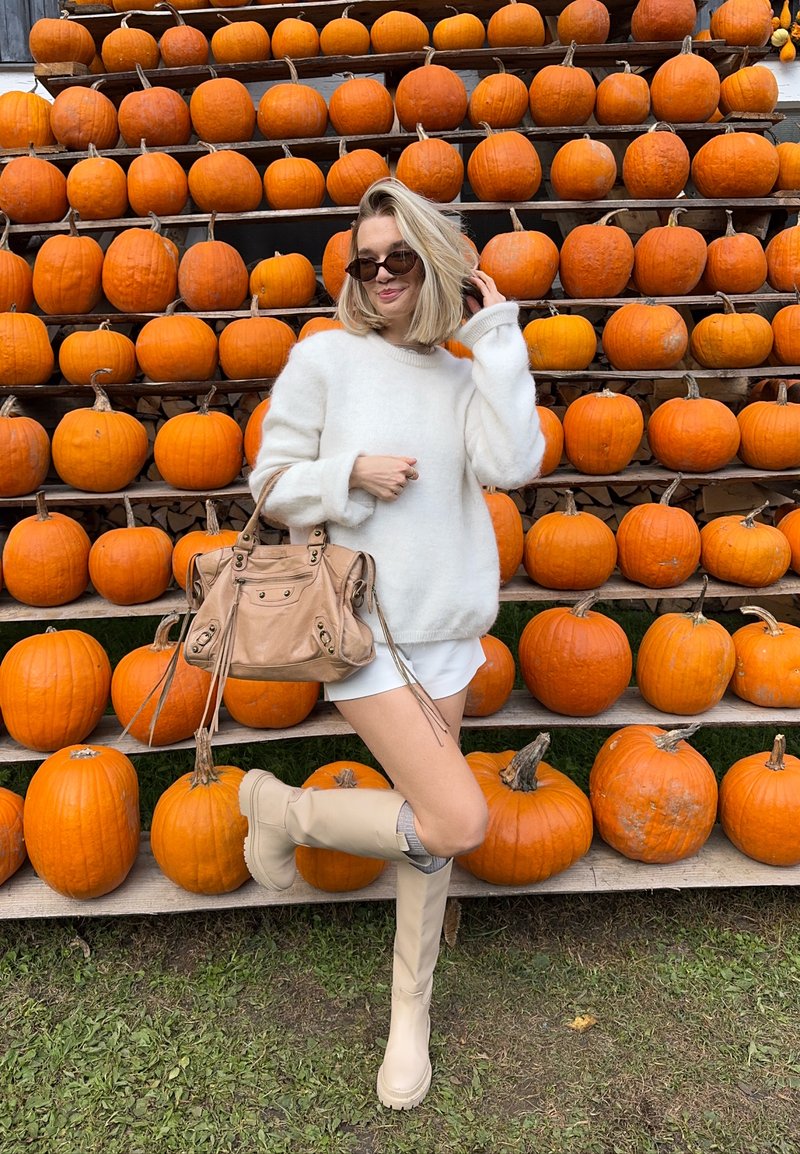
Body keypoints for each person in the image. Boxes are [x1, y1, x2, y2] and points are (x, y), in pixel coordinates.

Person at [239, 178, 544, 1110]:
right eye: (364, 263)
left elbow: (513, 465)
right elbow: (269, 484)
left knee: (430, 833)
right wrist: (347, 476)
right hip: (357, 637)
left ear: (435, 265)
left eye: (398, 259)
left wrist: (498, 343)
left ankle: (407, 1015)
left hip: (445, 635)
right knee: (454, 821)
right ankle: (284, 810)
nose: (379, 276)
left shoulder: (464, 371)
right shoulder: (324, 360)